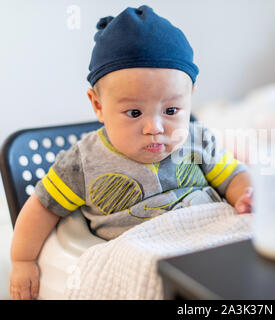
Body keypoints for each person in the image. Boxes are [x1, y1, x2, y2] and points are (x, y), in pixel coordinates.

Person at [9, 5, 253, 300]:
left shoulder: (197, 139)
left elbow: (233, 177)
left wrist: (246, 195)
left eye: (172, 110)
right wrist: (22, 261)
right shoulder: (82, 162)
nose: (154, 127)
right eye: (134, 112)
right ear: (98, 105)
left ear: (191, 96)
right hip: (142, 250)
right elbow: (41, 208)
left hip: (207, 237)